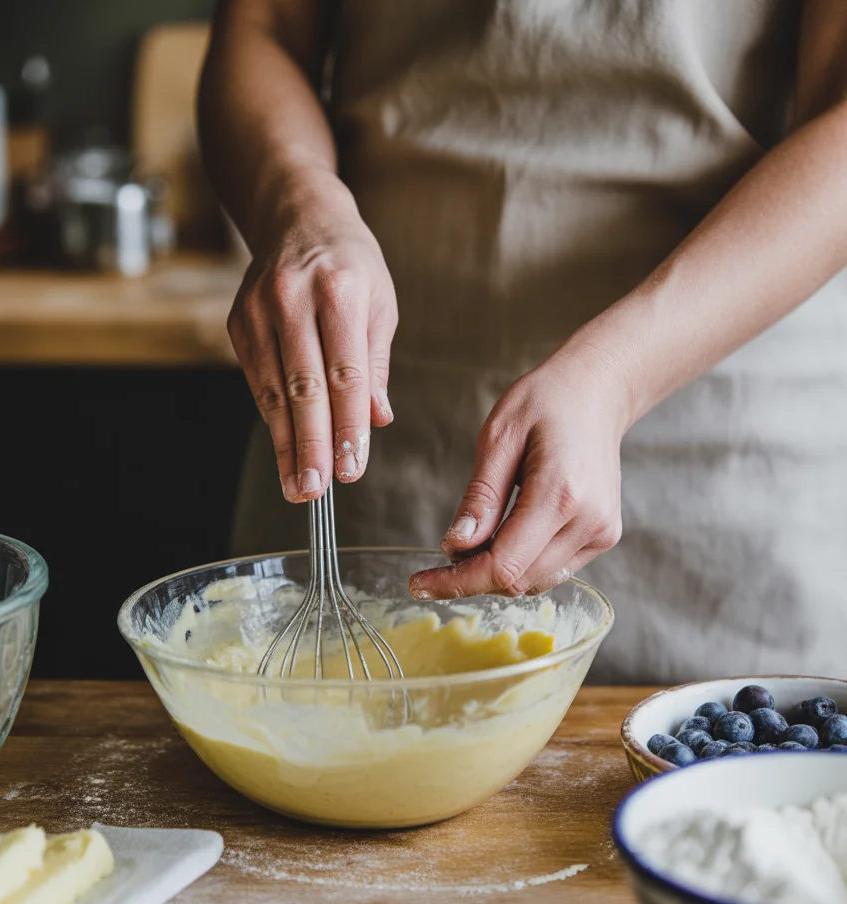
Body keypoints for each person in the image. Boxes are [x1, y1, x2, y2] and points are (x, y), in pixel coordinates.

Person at [198, 0, 847, 683]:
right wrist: (299, 208)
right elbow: (262, 27)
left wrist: (617, 373)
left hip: (726, 445)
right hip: (380, 427)